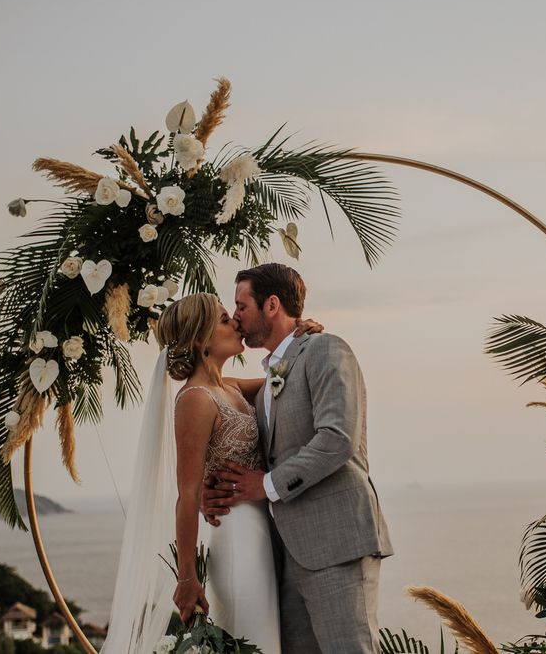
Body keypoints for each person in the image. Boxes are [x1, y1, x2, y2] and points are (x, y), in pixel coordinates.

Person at [100, 291, 321, 654]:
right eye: (223, 319)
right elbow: (186, 494)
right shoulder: (195, 399)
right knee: (256, 641)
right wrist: (187, 577)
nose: (235, 321)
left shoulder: (230, 388)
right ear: (201, 339)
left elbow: (283, 378)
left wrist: (299, 337)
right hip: (236, 538)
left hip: (263, 531)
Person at [203, 263, 394, 654]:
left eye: (241, 305)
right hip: (289, 553)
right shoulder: (274, 371)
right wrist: (216, 484)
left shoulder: (327, 349)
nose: (236, 316)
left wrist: (265, 485)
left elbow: (337, 439)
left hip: (338, 543)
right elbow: (221, 398)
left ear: (272, 304)